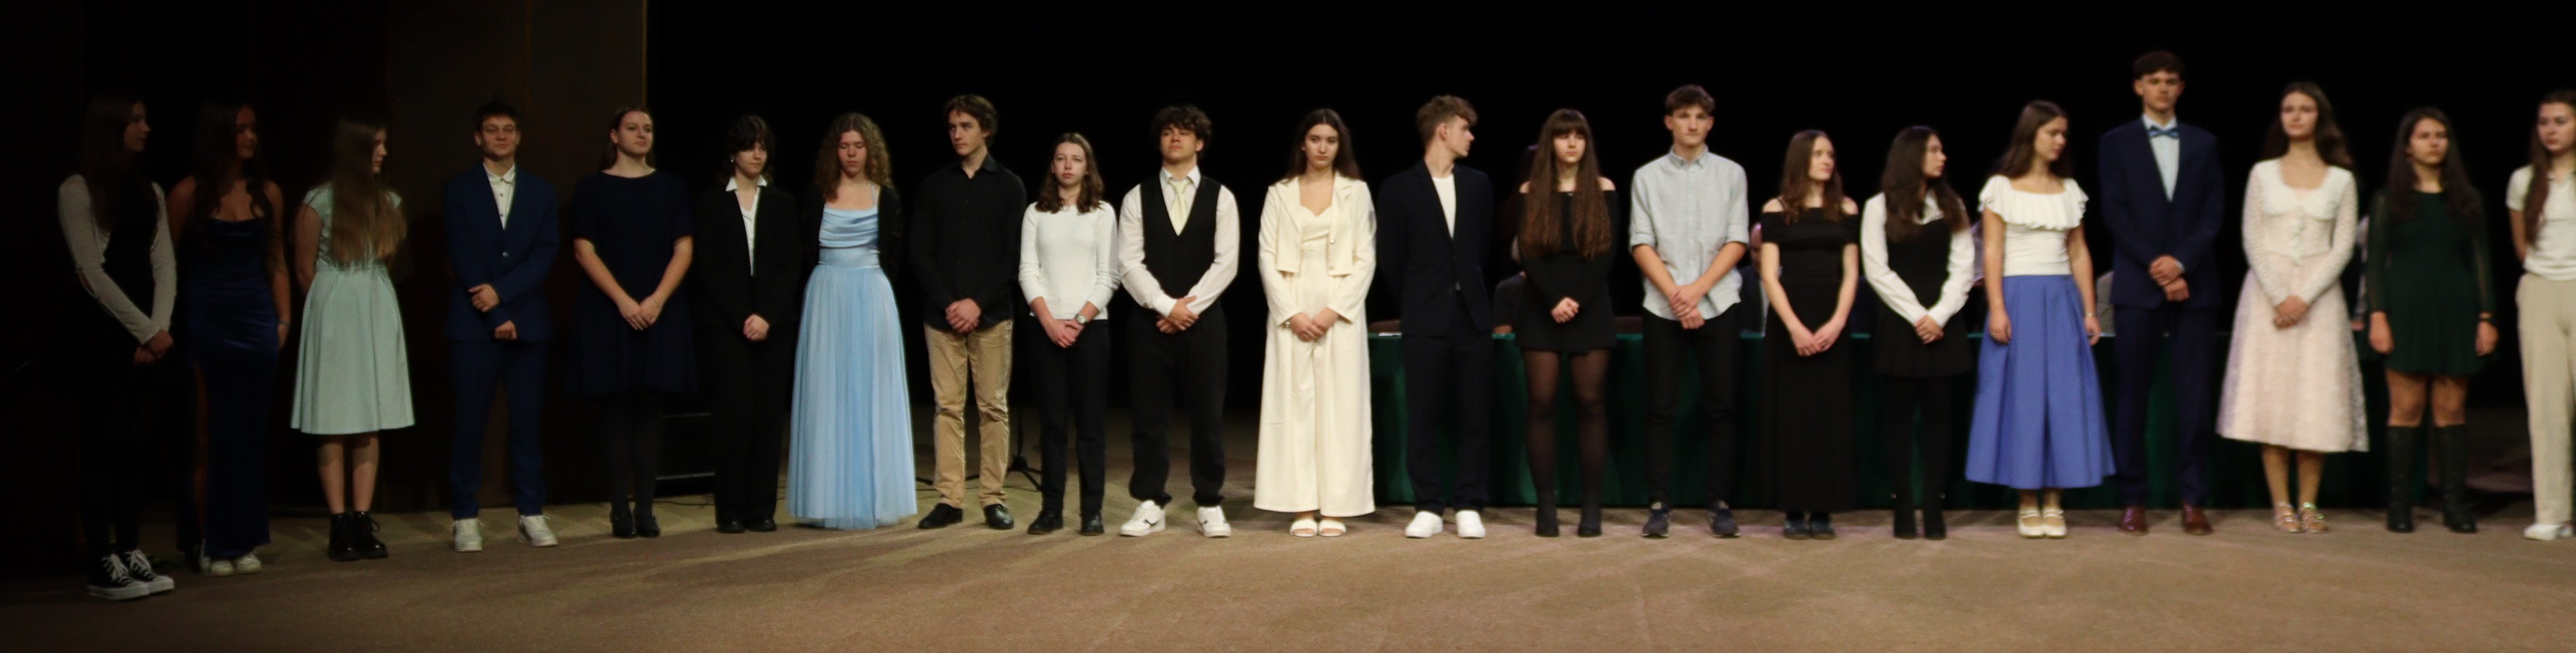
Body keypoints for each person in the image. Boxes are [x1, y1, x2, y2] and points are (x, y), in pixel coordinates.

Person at [2215, 83, 2365, 534]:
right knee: (2274, 396)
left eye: (2305, 109)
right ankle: (2281, 503)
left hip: (2320, 298)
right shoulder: (2262, 173)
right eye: (2288, 109)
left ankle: (2309, 502)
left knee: (2314, 397)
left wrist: (2304, 296)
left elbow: (2343, 247)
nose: (2296, 116)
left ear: (2320, 117)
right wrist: (2281, 295)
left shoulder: (2341, 179)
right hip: (2267, 295)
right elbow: (2252, 237)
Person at [1966, 101, 2115, 539]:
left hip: (2062, 300)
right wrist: (1997, 307)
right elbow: (1993, 250)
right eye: (2052, 132)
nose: (2060, 141)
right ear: (2031, 134)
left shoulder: (2069, 190)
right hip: (2019, 298)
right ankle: (2027, 501)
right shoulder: (2001, 188)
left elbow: (2078, 251)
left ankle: (2054, 500)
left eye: (2064, 134)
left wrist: (2090, 310)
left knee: (2064, 399)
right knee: (2025, 399)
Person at [2098, 51, 2227, 536]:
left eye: (2171, 81)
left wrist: (2181, 263)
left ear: (2181, 88)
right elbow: (2115, 211)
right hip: (2138, 283)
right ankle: (2133, 498)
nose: (2163, 88)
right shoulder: (2116, 142)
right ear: (2139, 87)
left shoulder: (2203, 143)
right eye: (2154, 81)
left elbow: (2213, 212)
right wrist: (2157, 264)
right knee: (2133, 395)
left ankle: (2193, 498)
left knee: (2194, 398)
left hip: (2195, 284)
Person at [167, 100, 287, 575]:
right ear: (219, 134)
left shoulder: (268, 192)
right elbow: (166, 266)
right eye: (240, 129)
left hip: (256, 319)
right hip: (206, 319)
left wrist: (283, 320)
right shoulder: (187, 193)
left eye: (254, 128)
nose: (250, 137)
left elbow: (276, 260)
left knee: (249, 431)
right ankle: (207, 539)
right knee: (208, 431)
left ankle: (244, 537)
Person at [64, 96, 177, 599]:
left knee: (138, 445)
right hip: (105, 336)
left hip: (151, 337)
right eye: (135, 120)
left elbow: (164, 263)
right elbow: (90, 272)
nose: (146, 128)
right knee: (103, 446)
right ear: (111, 127)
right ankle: (100, 557)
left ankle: (130, 546)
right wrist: (143, 331)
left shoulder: (151, 191)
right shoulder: (78, 190)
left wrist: (160, 329)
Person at [1629, 85, 1753, 538]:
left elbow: (1737, 239)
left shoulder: (1731, 173)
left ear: (1711, 123)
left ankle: (1719, 502)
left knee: (1721, 406)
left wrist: (1697, 292)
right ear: (1669, 122)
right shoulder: (1647, 176)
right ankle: (1659, 503)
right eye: (1684, 116)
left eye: (1700, 116)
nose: (1693, 124)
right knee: (1661, 407)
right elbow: (1640, 242)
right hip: (1663, 305)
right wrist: (1677, 296)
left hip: (1718, 301)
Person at [568, 106, 695, 538]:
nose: (642, 134)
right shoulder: (592, 188)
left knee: (650, 406)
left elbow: (684, 248)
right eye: (633, 128)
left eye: (648, 129)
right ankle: (619, 509)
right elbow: (584, 250)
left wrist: (656, 300)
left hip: (660, 307)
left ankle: (646, 508)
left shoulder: (671, 187)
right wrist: (624, 301)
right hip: (610, 309)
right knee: (617, 405)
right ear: (614, 135)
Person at [2368, 108, 2496, 534]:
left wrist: (2487, 316)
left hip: (2456, 310)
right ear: (2408, 146)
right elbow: (2375, 264)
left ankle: (2455, 505)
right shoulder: (2389, 199)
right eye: (2424, 136)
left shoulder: (2467, 199)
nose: (2434, 142)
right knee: (2405, 408)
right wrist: (2378, 316)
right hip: (2405, 309)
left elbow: (2480, 260)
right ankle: (2400, 504)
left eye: (2440, 135)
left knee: (2451, 409)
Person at [439, 101, 561, 551]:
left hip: (529, 322)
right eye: (492, 130)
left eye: (508, 129)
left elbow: (545, 254)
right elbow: (462, 254)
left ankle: (531, 513)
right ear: (478, 138)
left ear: (519, 137)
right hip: (473, 323)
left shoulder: (541, 191)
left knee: (527, 425)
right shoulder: (458, 190)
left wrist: (503, 295)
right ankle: (464, 517)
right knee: (470, 424)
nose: (501, 136)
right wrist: (493, 311)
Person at [1116, 106, 1241, 538]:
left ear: (1199, 142)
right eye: (1168, 132)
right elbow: (1129, 262)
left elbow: (1227, 262)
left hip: (1204, 324)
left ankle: (1209, 502)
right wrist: (1166, 306)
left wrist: (1190, 309)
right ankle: (1150, 502)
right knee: (1149, 416)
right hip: (1149, 323)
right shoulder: (1137, 196)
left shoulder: (1221, 197)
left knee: (1207, 414)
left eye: (1184, 133)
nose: (1175, 138)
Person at [1376, 95, 1496, 539]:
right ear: (1443, 131)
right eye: (1465, 128)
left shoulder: (1478, 184)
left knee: (1474, 413)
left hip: (1471, 316)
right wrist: (1420, 300)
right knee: (1423, 413)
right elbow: (1392, 258)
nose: (1471, 137)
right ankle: (1428, 504)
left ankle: (1468, 503)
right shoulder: (1398, 188)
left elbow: (1482, 248)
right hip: (1425, 316)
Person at [787, 112, 915, 530]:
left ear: (870, 150)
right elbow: (806, 248)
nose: (851, 154)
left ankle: (872, 496)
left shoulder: (887, 197)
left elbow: (894, 256)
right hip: (827, 295)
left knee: (869, 391)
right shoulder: (817, 194)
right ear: (834, 151)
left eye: (859, 146)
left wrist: (867, 283)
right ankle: (826, 498)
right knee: (827, 392)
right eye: (844, 146)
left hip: (871, 294)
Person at [292, 114, 411, 561]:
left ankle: (362, 518)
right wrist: (327, 315)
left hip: (374, 303)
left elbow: (387, 259)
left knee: (368, 417)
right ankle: (338, 521)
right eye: (376, 145)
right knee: (333, 417)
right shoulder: (319, 202)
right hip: (335, 306)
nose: (383, 153)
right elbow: (304, 268)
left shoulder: (388, 202)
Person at [1253, 109, 1378, 537]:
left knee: (1340, 407)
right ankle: (1302, 505)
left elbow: (1366, 258)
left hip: (1339, 306)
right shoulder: (1279, 193)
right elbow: (1267, 256)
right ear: (1303, 144)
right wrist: (1291, 313)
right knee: (1295, 405)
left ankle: (1338, 504)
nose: (1323, 148)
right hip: (1293, 300)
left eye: (1331, 140)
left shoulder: (1356, 192)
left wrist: (1332, 311)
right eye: (1315, 139)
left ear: (1340, 146)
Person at [909, 95, 1026, 530]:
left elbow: (1013, 256)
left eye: (966, 126)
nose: (957, 134)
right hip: (942, 317)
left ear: (986, 130)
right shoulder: (934, 185)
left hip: (992, 316)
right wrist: (949, 303)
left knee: (993, 407)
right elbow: (919, 253)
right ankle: (950, 499)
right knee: (947, 408)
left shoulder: (1009, 186)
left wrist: (977, 302)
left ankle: (993, 498)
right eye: (953, 127)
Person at [688, 115, 804, 535]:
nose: (757, 154)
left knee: (767, 417)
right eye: (749, 147)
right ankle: (731, 510)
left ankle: (761, 508)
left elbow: (791, 266)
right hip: (726, 326)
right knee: (732, 416)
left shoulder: (783, 203)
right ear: (733, 153)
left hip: (773, 325)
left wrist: (767, 316)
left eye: (762, 147)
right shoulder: (710, 203)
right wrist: (743, 317)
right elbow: (709, 270)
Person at [1859, 126, 1977, 541]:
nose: (1943, 157)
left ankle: (1934, 505)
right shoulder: (1878, 207)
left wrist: (1939, 315)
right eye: (1933, 150)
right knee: (1899, 417)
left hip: (1943, 322)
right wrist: (1916, 316)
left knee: (1940, 417)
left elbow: (1963, 267)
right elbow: (1877, 270)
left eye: (1942, 150)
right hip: (1901, 322)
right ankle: (1903, 505)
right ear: (1912, 156)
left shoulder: (1952, 205)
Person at [1514, 109, 1622, 537]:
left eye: (1579, 135)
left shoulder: (1603, 189)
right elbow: (1528, 251)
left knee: (1590, 401)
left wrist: (1576, 299)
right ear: (1551, 143)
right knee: (1541, 403)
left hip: (1589, 304)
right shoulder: (1531, 191)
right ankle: (1546, 507)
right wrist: (1554, 299)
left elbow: (1607, 253)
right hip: (1542, 304)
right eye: (1563, 136)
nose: (1572, 143)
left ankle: (1591, 507)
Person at [1755, 131, 1861, 541]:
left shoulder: (1846, 208)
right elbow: (1769, 275)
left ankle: (1823, 509)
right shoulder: (1776, 209)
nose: (1827, 160)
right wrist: (1795, 327)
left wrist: (1838, 322)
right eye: (1818, 154)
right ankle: (1794, 509)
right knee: (1793, 415)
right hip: (1791, 321)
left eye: (1830, 154)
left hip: (1832, 319)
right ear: (1801, 159)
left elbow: (1851, 273)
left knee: (1829, 413)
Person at [1020, 133, 1118, 536]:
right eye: (1060, 158)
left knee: (1090, 427)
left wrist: (1078, 320)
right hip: (1046, 329)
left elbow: (1109, 276)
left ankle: (1091, 511)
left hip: (1089, 330)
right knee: (1052, 426)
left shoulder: (1102, 213)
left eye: (1075, 159)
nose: (1067, 166)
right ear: (1052, 166)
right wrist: (1049, 321)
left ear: (1087, 167)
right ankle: (1051, 510)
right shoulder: (1035, 213)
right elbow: (1028, 271)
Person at [2509, 91, 2576, 542]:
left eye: (2561, 121)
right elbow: (2522, 243)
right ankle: (2553, 512)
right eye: (2545, 121)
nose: (2551, 129)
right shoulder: (2524, 179)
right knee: (2547, 407)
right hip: (2540, 291)